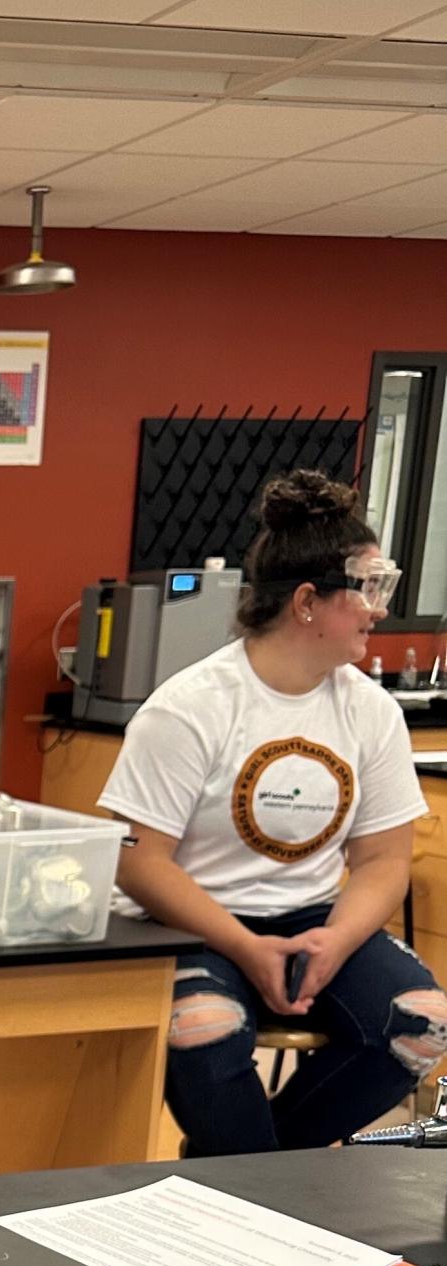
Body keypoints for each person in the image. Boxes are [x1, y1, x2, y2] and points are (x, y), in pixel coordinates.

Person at [104, 469, 446, 1156]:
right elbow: (139, 862)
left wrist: (337, 940)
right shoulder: (192, 706)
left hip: (311, 920)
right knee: (203, 1027)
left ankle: (262, 1174)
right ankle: (254, 1182)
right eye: (369, 590)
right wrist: (243, 946)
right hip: (190, 923)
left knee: (423, 1021)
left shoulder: (370, 711)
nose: (379, 610)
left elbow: (382, 862)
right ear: (307, 602)